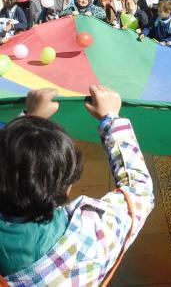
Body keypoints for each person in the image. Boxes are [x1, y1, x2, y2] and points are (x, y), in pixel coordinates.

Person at [0, 86, 154, 285]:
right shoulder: (90, 236)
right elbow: (139, 191)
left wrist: (27, 126)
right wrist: (111, 120)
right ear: (67, 187)